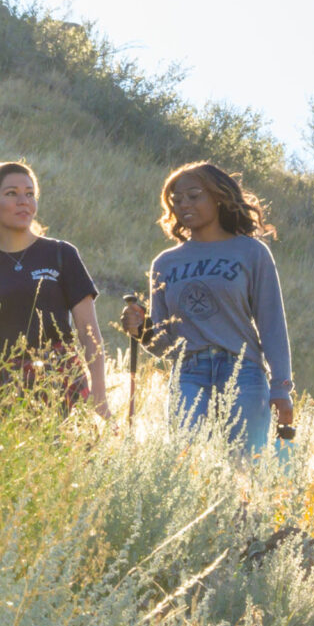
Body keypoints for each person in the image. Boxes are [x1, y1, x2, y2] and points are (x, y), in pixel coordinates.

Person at [128, 161, 294, 452]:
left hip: (244, 371)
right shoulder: (165, 264)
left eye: (194, 196)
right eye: (176, 200)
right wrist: (141, 330)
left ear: (218, 197)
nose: (183, 205)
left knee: (247, 469)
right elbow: (165, 343)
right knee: (186, 466)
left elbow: (272, 324)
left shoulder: (251, 252)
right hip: (189, 372)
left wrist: (281, 387)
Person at [0, 160, 109, 413]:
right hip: (6, 388)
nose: (23, 201)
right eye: (11, 193)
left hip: (63, 381)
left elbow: (89, 332)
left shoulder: (61, 254)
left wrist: (99, 395)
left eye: (30, 193)